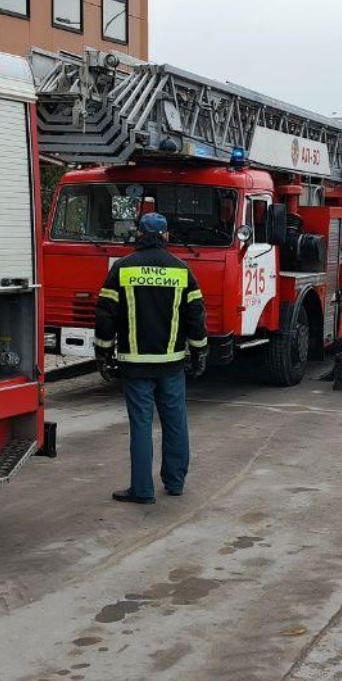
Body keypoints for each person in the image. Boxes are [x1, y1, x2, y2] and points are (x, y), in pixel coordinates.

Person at [94, 213, 208, 504]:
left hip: (135, 364)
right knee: (175, 422)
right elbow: (196, 317)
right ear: (166, 236)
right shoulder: (182, 270)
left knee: (141, 426)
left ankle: (142, 490)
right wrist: (199, 351)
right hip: (171, 364)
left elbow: (105, 316)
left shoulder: (122, 269)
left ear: (140, 235)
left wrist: (103, 353)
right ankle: (175, 482)